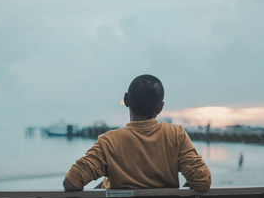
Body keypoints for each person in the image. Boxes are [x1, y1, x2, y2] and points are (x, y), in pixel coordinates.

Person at [63, 74, 211, 191]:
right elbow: (202, 181)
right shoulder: (176, 135)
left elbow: (71, 182)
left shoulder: (109, 142)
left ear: (126, 99)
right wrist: (180, 196)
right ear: (160, 107)